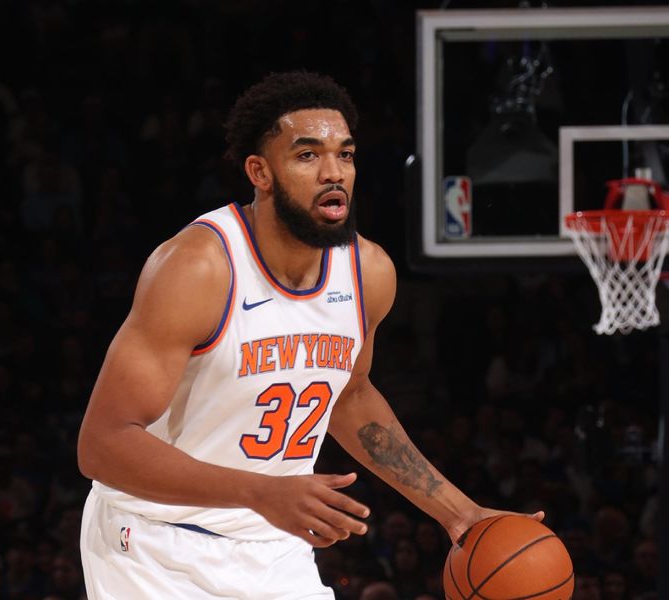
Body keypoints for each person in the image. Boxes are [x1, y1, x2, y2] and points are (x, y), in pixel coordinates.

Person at [77, 70, 543, 599]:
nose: (333, 172)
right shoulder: (198, 267)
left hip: (274, 546)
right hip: (153, 545)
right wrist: (262, 492)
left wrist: (461, 515)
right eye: (307, 155)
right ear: (260, 171)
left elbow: (350, 394)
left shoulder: (368, 272)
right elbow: (102, 445)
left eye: (344, 154)